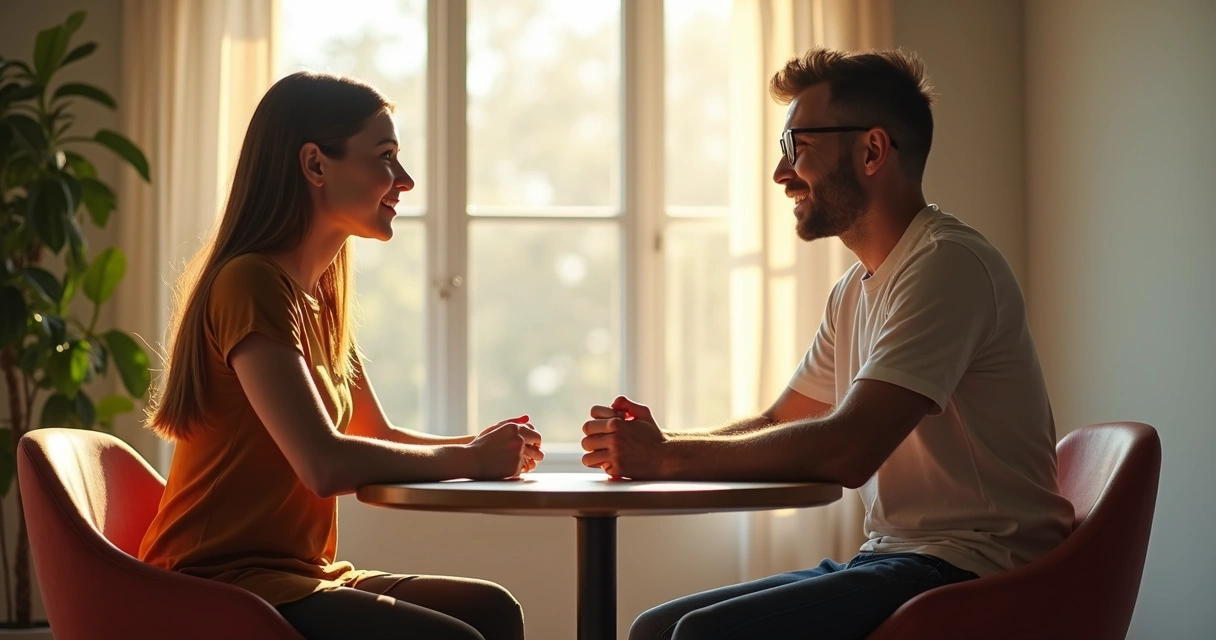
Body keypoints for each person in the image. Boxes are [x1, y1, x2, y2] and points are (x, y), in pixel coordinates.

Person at [581, 48, 1074, 640]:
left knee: (698, 636)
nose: (780, 174)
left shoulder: (947, 267)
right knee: (656, 629)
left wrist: (665, 459)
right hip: (896, 557)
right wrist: (660, 443)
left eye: (798, 148)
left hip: (978, 571)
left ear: (871, 150)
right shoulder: (854, 290)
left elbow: (848, 449)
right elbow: (782, 421)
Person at [139, 71, 543, 640]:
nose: (404, 180)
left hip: (304, 576)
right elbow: (324, 464)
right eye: (385, 157)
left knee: (492, 610)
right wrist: (473, 462)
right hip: (222, 587)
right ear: (315, 165)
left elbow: (377, 434)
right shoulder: (251, 283)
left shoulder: (322, 294)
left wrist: (479, 446)